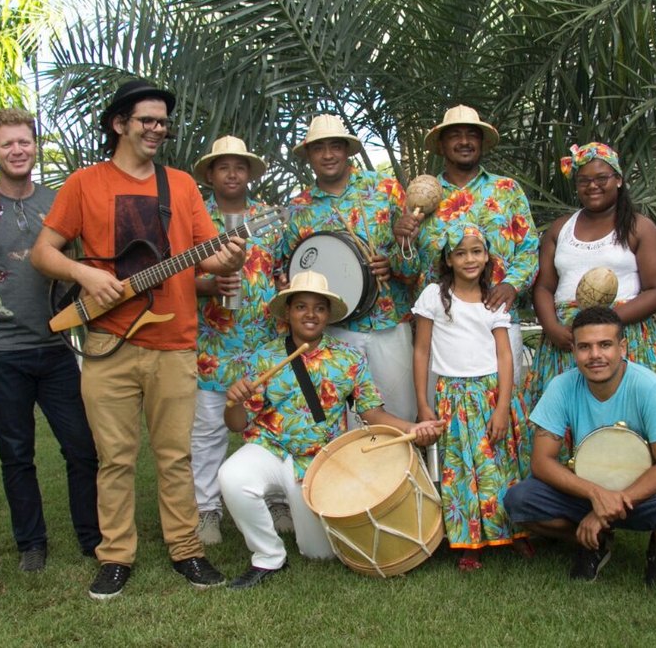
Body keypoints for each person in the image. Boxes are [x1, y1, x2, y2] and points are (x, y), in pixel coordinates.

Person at [31, 79, 246, 600]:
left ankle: (188, 551)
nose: (157, 129)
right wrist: (85, 276)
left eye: (163, 122)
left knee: (175, 456)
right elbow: (43, 253)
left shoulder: (181, 186)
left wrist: (232, 256)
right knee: (115, 458)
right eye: (147, 120)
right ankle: (115, 557)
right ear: (119, 124)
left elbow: (207, 254)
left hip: (173, 341)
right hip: (107, 341)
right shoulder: (85, 183)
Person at [220, 271, 442, 589]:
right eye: (301, 306)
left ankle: (300, 523)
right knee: (232, 476)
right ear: (288, 312)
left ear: (327, 315)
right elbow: (238, 424)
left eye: (319, 308)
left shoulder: (349, 359)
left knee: (318, 553)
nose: (310, 314)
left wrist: (414, 427)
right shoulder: (264, 358)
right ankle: (268, 556)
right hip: (271, 448)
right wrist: (233, 403)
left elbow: (372, 413)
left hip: (319, 462)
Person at [0, 108, 101, 572]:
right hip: (1, 351)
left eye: (24, 142)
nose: (17, 150)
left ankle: (90, 536)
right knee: (16, 453)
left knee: (81, 448)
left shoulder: (57, 203)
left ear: (35, 146)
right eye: (6, 144)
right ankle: (30, 544)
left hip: (56, 349)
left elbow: (82, 265)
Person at [504, 307, 656, 590]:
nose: (595, 355)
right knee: (520, 501)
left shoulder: (649, 387)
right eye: (584, 347)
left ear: (622, 347)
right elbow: (542, 461)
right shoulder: (562, 387)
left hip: (642, 491)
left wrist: (609, 506)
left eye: (605, 345)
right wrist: (596, 495)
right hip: (587, 488)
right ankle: (593, 541)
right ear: (574, 350)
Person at [412, 224, 532, 572]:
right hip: (453, 396)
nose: (469, 259)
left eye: (477, 251)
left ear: (487, 255)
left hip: (492, 393)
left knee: (503, 465)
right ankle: (469, 539)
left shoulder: (493, 298)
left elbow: (505, 355)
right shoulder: (434, 296)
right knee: (463, 469)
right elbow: (421, 352)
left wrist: (503, 407)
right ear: (448, 259)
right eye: (461, 252)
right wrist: (423, 403)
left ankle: (516, 532)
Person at [281, 114, 418, 420]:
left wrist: (392, 264)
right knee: (342, 420)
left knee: (401, 414)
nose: (328, 155)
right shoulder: (297, 210)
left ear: (347, 150)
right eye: (319, 148)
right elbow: (289, 276)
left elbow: (412, 269)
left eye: (335, 146)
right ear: (309, 156)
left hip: (387, 322)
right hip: (333, 327)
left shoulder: (384, 190)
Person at [190, 135, 291, 545]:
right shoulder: (195, 220)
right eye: (223, 167)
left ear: (249, 173)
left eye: (239, 166)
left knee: (269, 424)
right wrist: (208, 285)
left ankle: (277, 498)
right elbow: (179, 280)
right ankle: (207, 511)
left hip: (264, 342)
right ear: (211, 174)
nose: (232, 174)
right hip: (214, 344)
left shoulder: (269, 218)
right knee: (209, 432)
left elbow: (283, 269)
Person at [395, 105, 538, 383]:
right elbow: (407, 273)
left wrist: (512, 284)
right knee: (443, 414)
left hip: (497, 318)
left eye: (471, 134)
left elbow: (530, 249)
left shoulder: (506, 190)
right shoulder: (420, 196)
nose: (464, 141)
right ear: (441, 144)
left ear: (481, 142)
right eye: (454, 135)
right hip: (441, 326)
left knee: (501, 410)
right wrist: (404, 242)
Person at [524, 142, 656, 413]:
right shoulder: (561, 228)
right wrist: (553, 328)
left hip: (621, 332)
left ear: (618, 180)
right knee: (564, 419)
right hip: (566, 340)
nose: (593, 186)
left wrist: (604, 325)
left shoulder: (639, 227)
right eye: (584, 180)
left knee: (623, 416)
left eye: (601, 178)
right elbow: (543, 287)